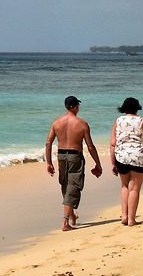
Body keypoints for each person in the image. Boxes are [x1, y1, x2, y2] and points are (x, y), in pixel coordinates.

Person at [44, 95, 102, 231]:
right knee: (73, 186)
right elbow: (90, 146)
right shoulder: (82, 124)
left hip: (61, 156)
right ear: (75, 107)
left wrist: (49, 162)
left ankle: (71, 215)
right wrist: (97, 164)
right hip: (75, 156)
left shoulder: (56, 123)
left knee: (65, 184)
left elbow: (48, 142)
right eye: (78, 105)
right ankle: (65, 222)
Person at [110, 97, 143, 226]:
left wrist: (113, 163)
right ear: (137, 108)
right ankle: (131, 219)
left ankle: (124, 216)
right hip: (139, 157)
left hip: (121, 157)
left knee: (124, 186)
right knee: (134, 189)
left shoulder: (118, 121)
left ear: (124, 108)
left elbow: (113, 144)